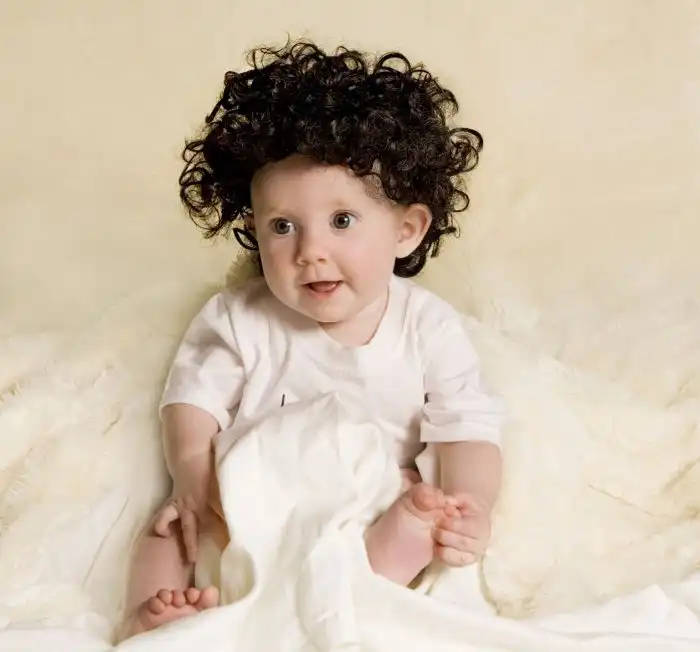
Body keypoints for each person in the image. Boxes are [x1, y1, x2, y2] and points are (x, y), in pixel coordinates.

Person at [121, 39, 505, 639]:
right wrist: (193, 481)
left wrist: (468, 502)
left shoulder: (427, 325)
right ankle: (153, 617)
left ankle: (370, 576)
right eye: (282, 226)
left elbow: (468, 428)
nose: (310, 251)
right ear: (252, 228)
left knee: (419, 516)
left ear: (407, 229)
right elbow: (191, 401)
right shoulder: (239, 316)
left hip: (365, 504)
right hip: (254, 500)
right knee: (169, 526)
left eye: (342, 221)